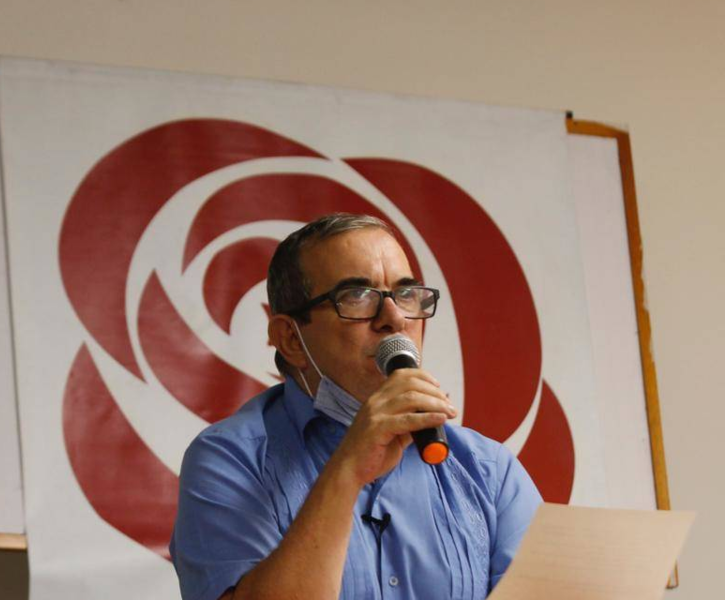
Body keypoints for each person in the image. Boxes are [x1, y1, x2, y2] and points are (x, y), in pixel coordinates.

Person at [169, 213, 541, 600]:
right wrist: (348, 469)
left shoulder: (488, 469)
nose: (394, 319)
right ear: (291, 339)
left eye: (406, 294)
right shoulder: (229, 459)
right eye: (356, 297)